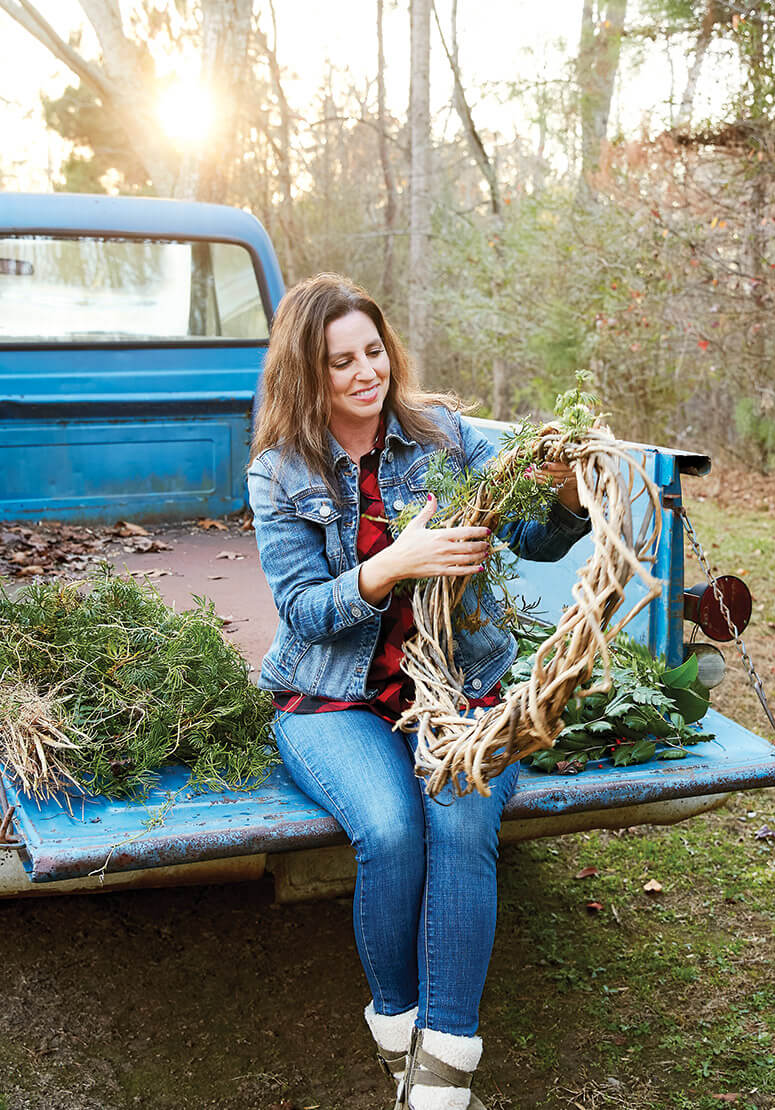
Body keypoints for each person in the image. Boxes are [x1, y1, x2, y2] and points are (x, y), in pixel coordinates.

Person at [247, 273, 589, 1110]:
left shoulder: (442, 435)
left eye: (373, 352)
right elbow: (301, 611)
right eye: (341, 363)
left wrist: (568, 488)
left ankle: (442, 1073)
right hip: (333, 698)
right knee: (393, 831)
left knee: (462, 814)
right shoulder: (278, 472)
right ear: (305, 374)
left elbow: (539, 541)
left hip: (458, 686)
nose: (366, 373)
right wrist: (392, 563)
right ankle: (396, 1024)